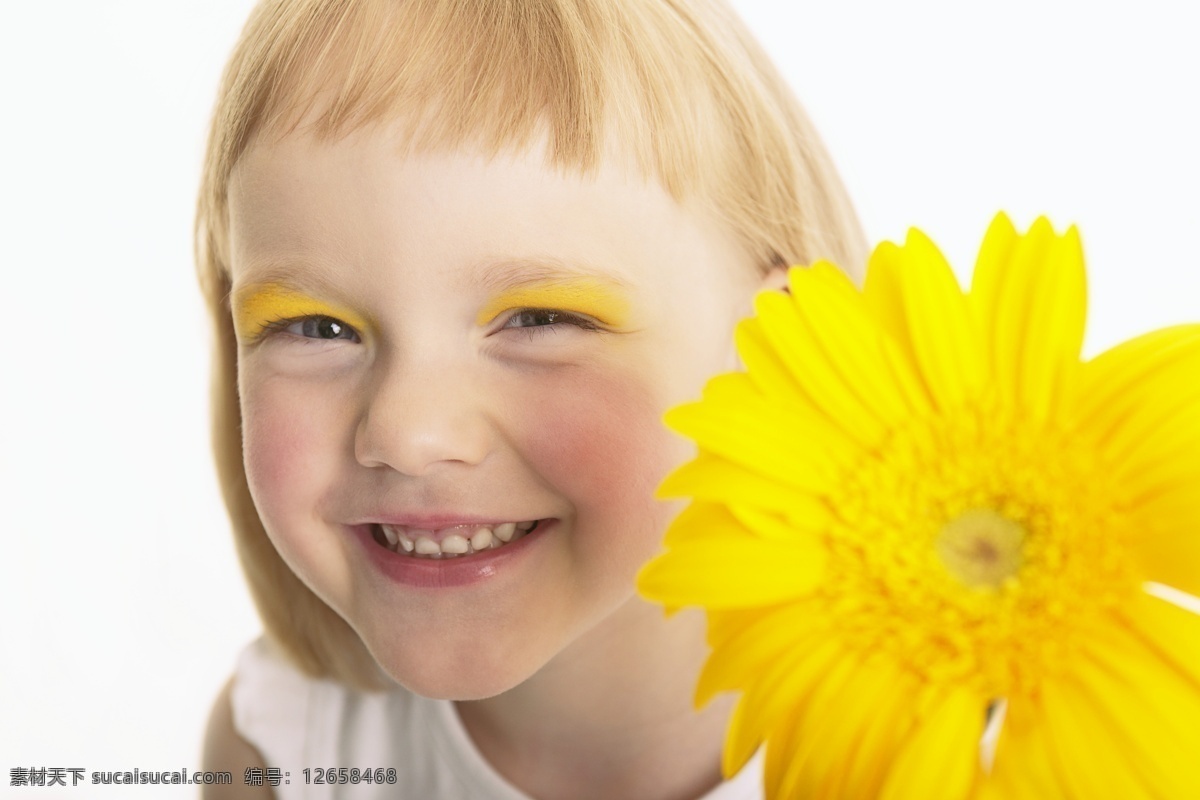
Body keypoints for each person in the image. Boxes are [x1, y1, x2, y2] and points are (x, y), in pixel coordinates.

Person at [195, 0, 865, 797]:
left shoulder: (968, 757)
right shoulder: (278, 753)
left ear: (777, 351)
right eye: (318, 327)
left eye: (542, 319)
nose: (410, 434)